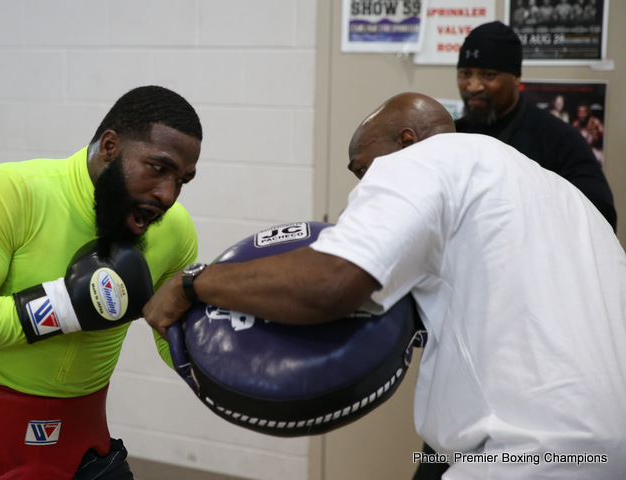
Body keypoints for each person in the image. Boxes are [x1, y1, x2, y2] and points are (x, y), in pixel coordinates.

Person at [144, 92, 626, 479]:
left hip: (526, 454)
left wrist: (192, 284)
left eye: (362, 171)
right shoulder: (564, 199)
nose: (360, 190)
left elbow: (330, 283)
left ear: (406, 139)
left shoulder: (420, 162)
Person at [0, 85, 203, 479]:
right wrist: (65, 306)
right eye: (157, 168)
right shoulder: (12, 192)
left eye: (182, 179)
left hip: (82, 443)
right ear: (110, 147)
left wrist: (229, 362)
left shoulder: (175, 231)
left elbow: (170, 334)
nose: (168, 195)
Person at [454, 21, 616, 231]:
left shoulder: (558, 137)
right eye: (465, 73)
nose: (474, 86)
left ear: (516, 77)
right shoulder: (451, 135)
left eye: (489, 75)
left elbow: (601, 213)